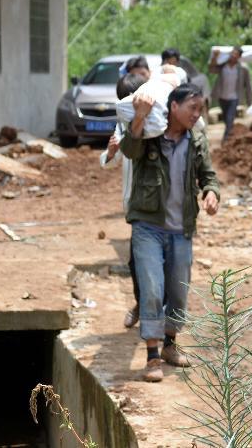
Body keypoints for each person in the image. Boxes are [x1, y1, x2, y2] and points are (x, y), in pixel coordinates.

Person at [120, 82, 220, 382]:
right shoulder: (150, 135)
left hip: (181, 229)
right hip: (148, 226)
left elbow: (208, 175)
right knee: (151, 289)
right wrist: (139, 116)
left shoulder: (196, 139)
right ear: (173, 107)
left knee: (178, 291)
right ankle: (152, 357)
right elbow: (129, 149)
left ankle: (170, 346)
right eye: (192, 108)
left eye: (199, 110)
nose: (196, 114)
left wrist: (212, 192)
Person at [100, 72, 149, 329]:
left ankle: (160, 321)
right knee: (137, 261)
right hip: (137, 207)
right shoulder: (122, 126)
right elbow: (111, 162)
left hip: (164, 206)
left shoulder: (161, 124)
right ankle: (142, 305)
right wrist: (110, 154)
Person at [210, 46, 252, 141]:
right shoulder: (222, 65)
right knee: (226, 119)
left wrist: (250, 101)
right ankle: (231, 136)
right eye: (232, 53)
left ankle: (225, 141)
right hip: (222, 97)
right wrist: (215, 57)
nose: (233, 56)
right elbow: (211, 70)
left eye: (235, 54)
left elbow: (248, 85)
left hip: (234, 98)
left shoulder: (243, 69)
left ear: (239, 57)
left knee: (230, 119)